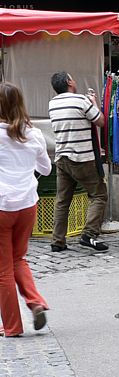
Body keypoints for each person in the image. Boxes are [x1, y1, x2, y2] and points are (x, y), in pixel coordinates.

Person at [0, 82, 51, 337]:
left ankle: (12, 326)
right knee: (18, 258)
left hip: (1, 206)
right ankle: (35, 302)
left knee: (3, 269)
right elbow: (46, 169)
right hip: (27, 205)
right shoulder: (33, 134)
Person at [48, 72, 109, 252]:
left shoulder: (52, 104)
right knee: (99, 195)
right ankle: (89, 235)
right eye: (72, 78)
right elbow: (100, 121)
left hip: (61, 158)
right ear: (68, 82)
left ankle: (57, 241)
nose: (74, 80)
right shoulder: (80, 100)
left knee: (62, 201)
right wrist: (93, 102)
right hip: (82, 159)